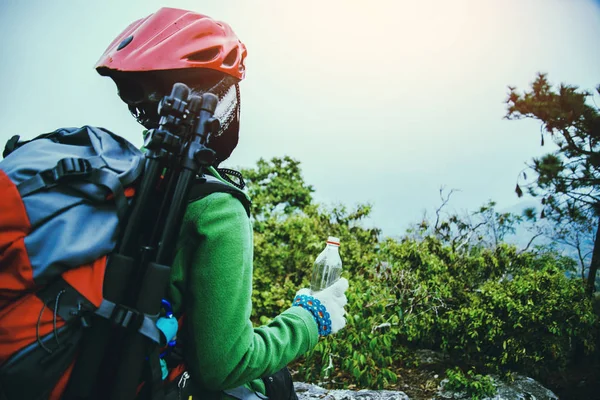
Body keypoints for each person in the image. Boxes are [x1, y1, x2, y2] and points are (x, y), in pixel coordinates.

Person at [94, 7, 349, 399]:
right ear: (221, 103)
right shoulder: (217, 208)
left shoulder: (128, 180)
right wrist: (313, 316)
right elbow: (226, 365)